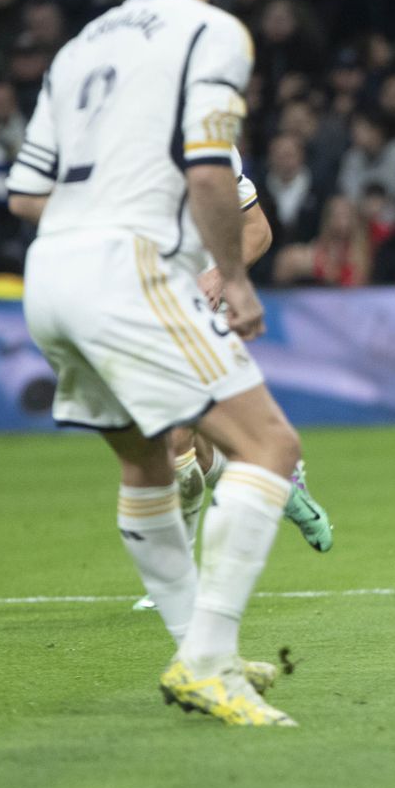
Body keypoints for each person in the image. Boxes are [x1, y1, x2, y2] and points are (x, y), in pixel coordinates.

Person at [6, 0, 302, 726]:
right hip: (124, 267)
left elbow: (26, 193)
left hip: (51, 273)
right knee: (269, 445)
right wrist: (232, 281)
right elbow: (212, 175)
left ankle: (195, 652)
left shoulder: (76, 49)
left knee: (147, 462)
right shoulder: (212, 33)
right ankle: (209, 660)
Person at [133, 147, 335, 615]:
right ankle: (276, 481)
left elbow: (257, 228)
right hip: (142, 306)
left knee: (173, 435)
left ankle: (175, 583)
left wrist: (221, 274)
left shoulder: (211, 145)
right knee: (187, 457)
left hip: (202, 300)